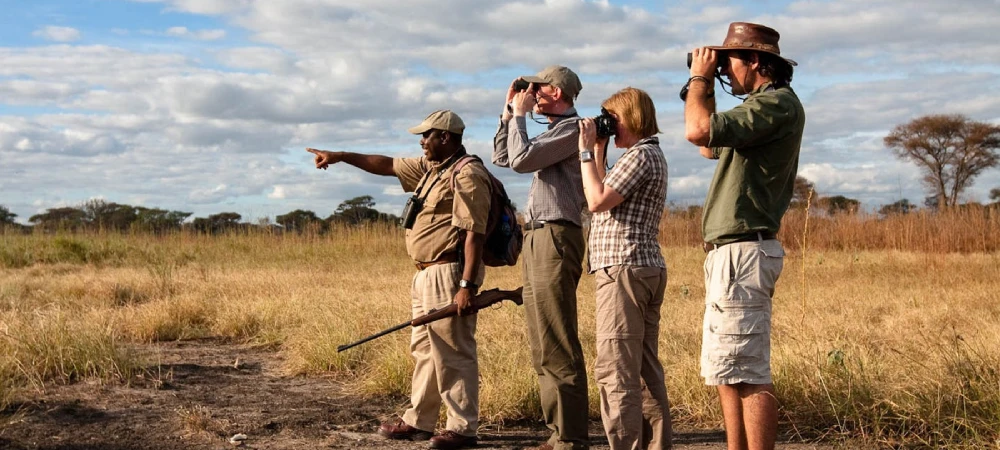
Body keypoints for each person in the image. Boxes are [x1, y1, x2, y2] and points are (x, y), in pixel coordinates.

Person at [307, 110, 491, 450]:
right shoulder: (430, 170)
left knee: (453, 351)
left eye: (427, 135)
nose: (421, 141)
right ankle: (419, 419)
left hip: (449, 272)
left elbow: (474, 233)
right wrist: (342, 157)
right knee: (424, 349)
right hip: (423, 273)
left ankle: (463, 428)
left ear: (445, 138)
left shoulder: (467, 174)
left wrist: (466, 286)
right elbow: (387, 164)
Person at [683, 22, 806, 450]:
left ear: (755, 61)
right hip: (731, 253)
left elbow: (696, 130)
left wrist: (700, 77)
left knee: (749, 370)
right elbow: (708, 145)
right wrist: (705, 84)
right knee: (728, 368)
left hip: (745, 251)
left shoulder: (776, 105)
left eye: (728, 61)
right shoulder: (756, 109)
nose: (723, 70)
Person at [492, 65, 589, 450]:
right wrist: (507, 113)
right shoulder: (551, 131)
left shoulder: (572, 129)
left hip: (557, 235)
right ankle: (558, 431)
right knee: (541, 338)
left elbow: (521, 161)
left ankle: (571, 436)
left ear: (556, 92)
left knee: (557, 336)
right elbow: (504, 156)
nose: (529, 93)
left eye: (537, 87)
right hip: (536, 237)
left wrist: (519, 116)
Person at [578, 87, 673, 450]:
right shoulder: (645, 155)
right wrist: (599, 149)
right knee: (645, 371)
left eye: (611, 119)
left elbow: (596, 199)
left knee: (615, 369)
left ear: (631, 117)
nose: (608, 126)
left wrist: (585, 149)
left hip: (624, 270)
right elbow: (602, 185)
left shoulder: (641, 156)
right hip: (641, 267)